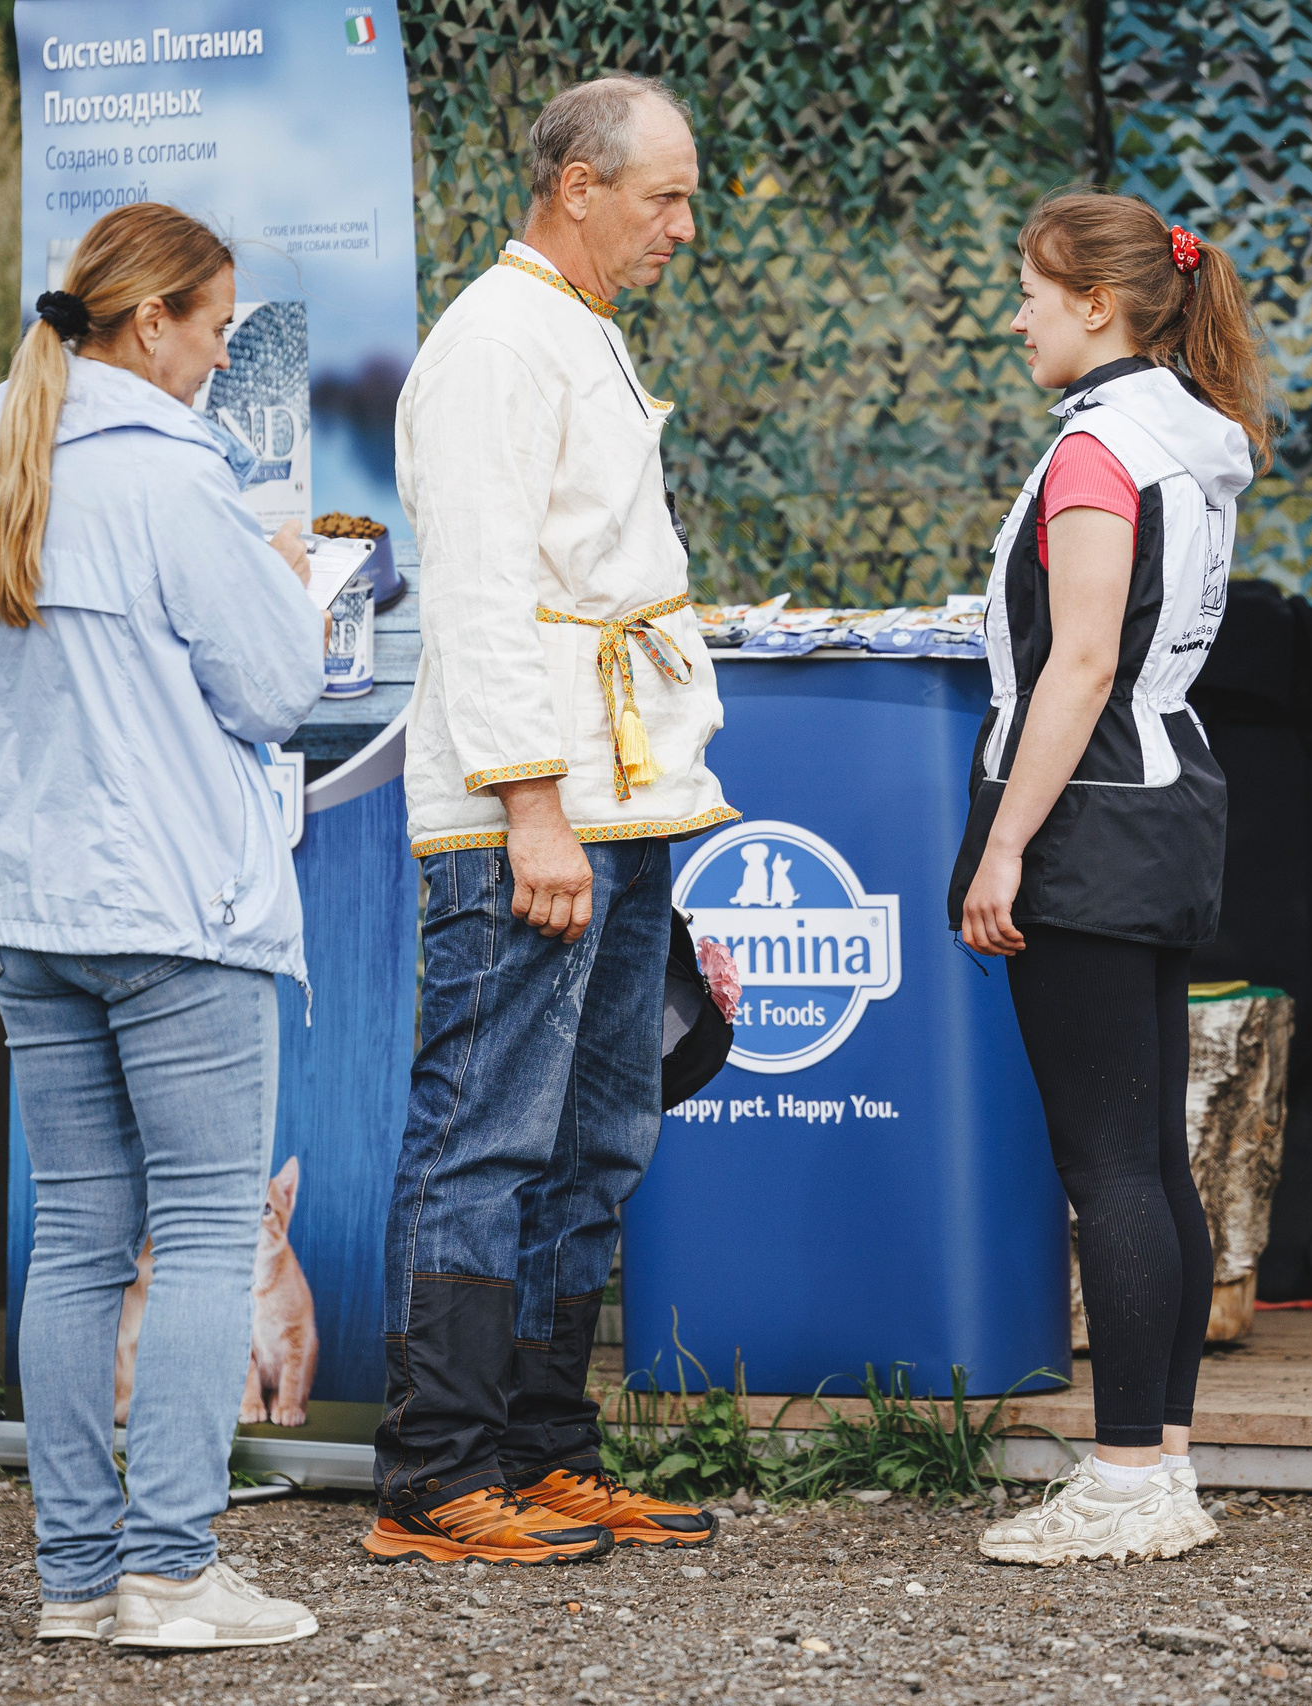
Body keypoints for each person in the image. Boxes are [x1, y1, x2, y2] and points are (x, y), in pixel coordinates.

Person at [367, 74, 735, 1567]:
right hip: (529, 813)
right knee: (484, 1133)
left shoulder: (572, 329)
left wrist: (615, 806)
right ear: (575, 184)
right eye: (663, 197)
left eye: (689, 198)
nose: (682, 228)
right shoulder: (489, 345)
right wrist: (532, 805)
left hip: (613, 803)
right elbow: (472, 587)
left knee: (595, 1133)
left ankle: (540, 1445)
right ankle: (433, 1472)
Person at [0, 202, 325, 1644]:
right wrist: (290, 585)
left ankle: (76, 1578)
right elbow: (279, 690)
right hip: (176, 905)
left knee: (83, 1237)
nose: (224, 360)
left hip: (30, 909)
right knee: (211, 1229)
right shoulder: (179, 485)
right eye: (217, 330)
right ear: (151, 320)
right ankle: (171, 1568)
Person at [953, 190, 1270, 1566]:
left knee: (1111, 1165)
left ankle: (1129, 1473)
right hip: (1168, 801)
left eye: (1028, 287)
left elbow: (1080, 662)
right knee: (1148, 1160)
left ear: (1099, 302)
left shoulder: (1102, 448)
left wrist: (1005, 840)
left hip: (1086, 811)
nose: (1012, 312)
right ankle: (1166, 1462)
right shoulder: (1193, 440)